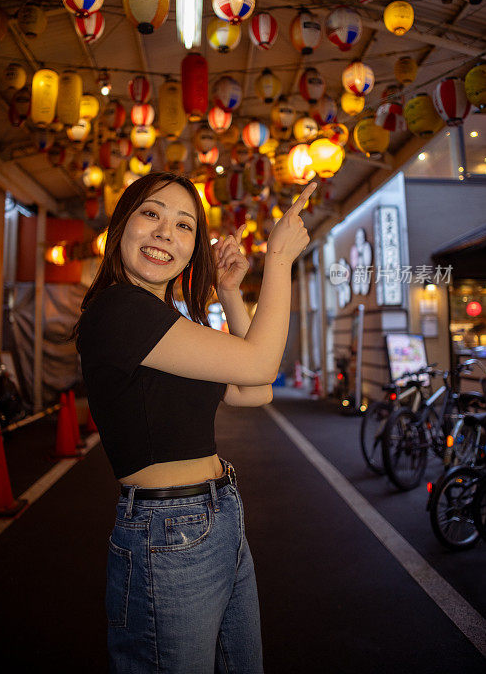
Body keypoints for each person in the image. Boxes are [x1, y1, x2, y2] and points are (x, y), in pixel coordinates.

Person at [75, 170, 316, 673]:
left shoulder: (167, 323)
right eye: (151, 214)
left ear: (192, 249)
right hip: (166, 535)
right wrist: (277, 260)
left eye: (185, 225)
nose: (166, 232)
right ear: (121, 227)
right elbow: (261, 365)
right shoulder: (118, 311)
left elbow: (255, 389)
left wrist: (231, 290)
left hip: (219, 517)